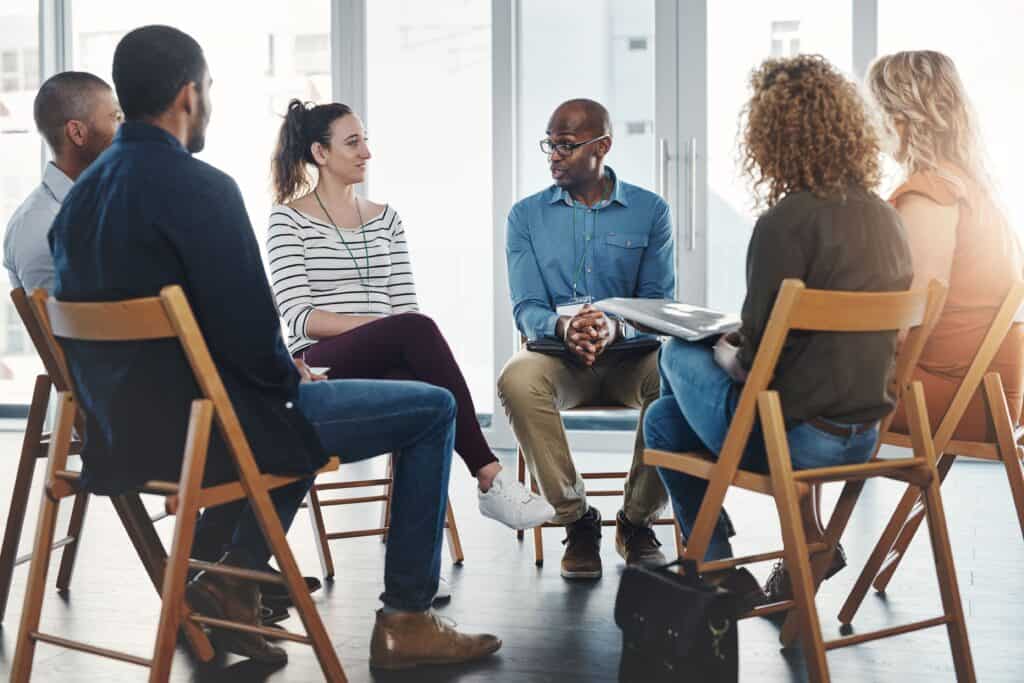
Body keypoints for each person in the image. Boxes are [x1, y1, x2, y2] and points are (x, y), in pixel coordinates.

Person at [49, 25, 500, 670]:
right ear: (188, 95)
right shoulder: (202, 189)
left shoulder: (79, 202)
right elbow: (255, 340)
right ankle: (407, 616)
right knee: (429, 408)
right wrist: (295, 378)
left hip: (118, 440)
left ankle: (233, 579)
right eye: (207, 90)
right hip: (208, 435)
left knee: (286, 406)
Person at [643, 55, 912, 598]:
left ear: (770, 139)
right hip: (863, 437)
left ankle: (715, 575)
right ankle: (719, 569)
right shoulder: (888, 218)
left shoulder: (783, 223)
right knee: (662, 422)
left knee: (674, 353)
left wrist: (723, 353)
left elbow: (751, 364)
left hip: (796, 443)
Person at [267, 99, 554, 533]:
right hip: (322, 360)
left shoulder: (387, 220)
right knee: (414, 333)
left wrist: (389, 332)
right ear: (320, 153)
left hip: (390, 352)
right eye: (353, 142)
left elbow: (405, 308)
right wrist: (382, 329)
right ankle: (489, 475)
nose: (366, 152)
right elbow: (300, 318)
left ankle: (417, 565)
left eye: (365, 140)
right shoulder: (287, 219)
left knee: (424, 395)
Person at [498, 98, 674, 580]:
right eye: (550, 145)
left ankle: (636, 522)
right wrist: (564, 328)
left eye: (567, 146)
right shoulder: (525, 217)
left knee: (680, 378)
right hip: (558, 357)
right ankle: (578, 521)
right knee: (516, 379)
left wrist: (615, 326)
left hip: (630, 357)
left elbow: (659, 304)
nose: (554, 155)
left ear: (603, 147)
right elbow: (526, 306)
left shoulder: (650, 211)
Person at [867, 50, 1023, 442]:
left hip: (950, 398)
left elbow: (912, 321)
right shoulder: (974, 188)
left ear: (898, 119)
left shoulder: (929, 195)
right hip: (984, 392)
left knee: (792, 389)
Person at [4, 71, 121, 291]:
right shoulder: (39, 225)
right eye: (116, 118)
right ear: (77, 132)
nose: (124, 130)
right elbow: (67, 323)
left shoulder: (99, 203)